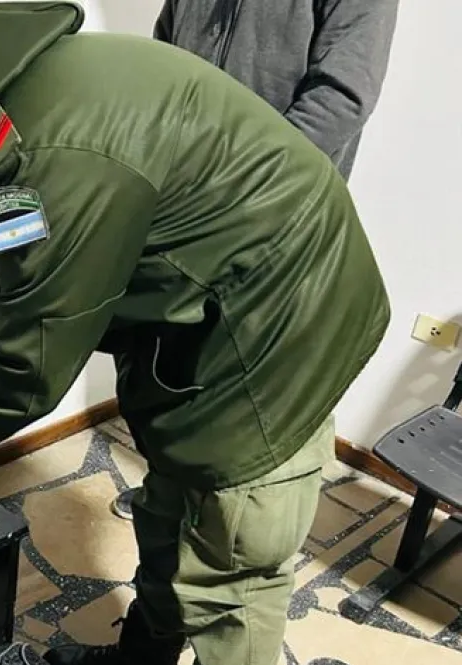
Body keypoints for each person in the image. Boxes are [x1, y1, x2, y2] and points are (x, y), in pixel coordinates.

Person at [0, 3, 390, 665]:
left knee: (233, 567)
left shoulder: (48, 161)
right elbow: (7, 267)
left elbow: (26, 376)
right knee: (168, 509)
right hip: (218, 302)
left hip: (283, 328)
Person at [108, 0, 399, 521]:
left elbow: (341, 97)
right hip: (185, 211)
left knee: (246, 397)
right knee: (170, 374)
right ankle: (166, 498)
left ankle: (228, 529)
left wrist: (234, 192)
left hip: (275, 224)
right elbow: (163, 64)